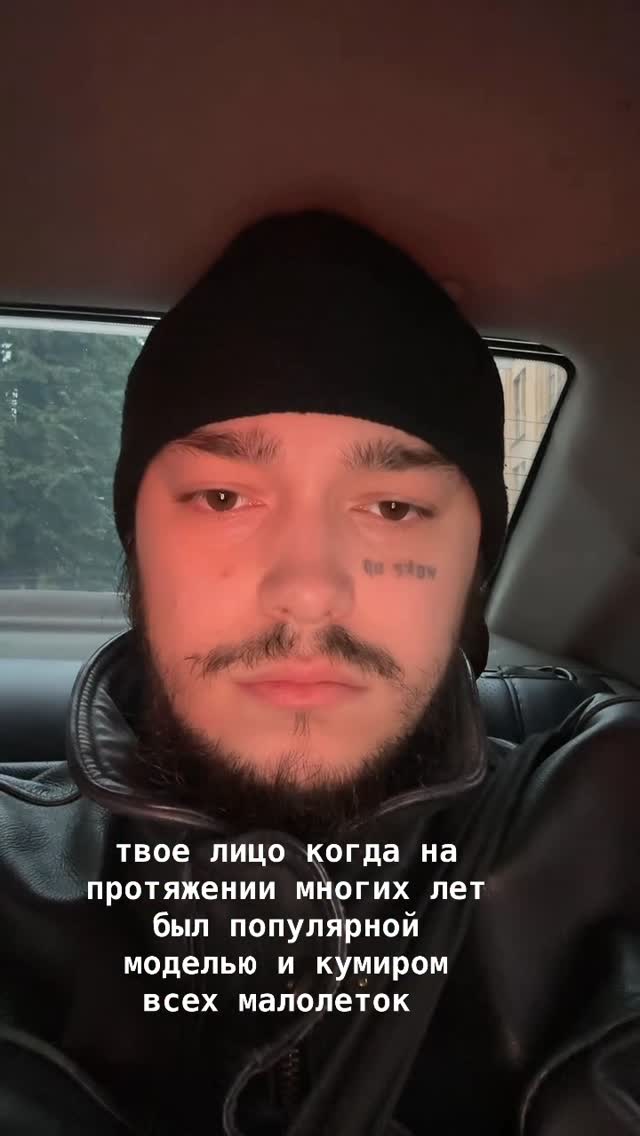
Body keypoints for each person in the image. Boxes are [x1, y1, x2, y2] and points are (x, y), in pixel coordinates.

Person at [0, 210, 638, 1136]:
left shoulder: (607, 857)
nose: (307, 590)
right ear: (137, 553)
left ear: (472, 578)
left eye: (392, 507)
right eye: (223, 497)